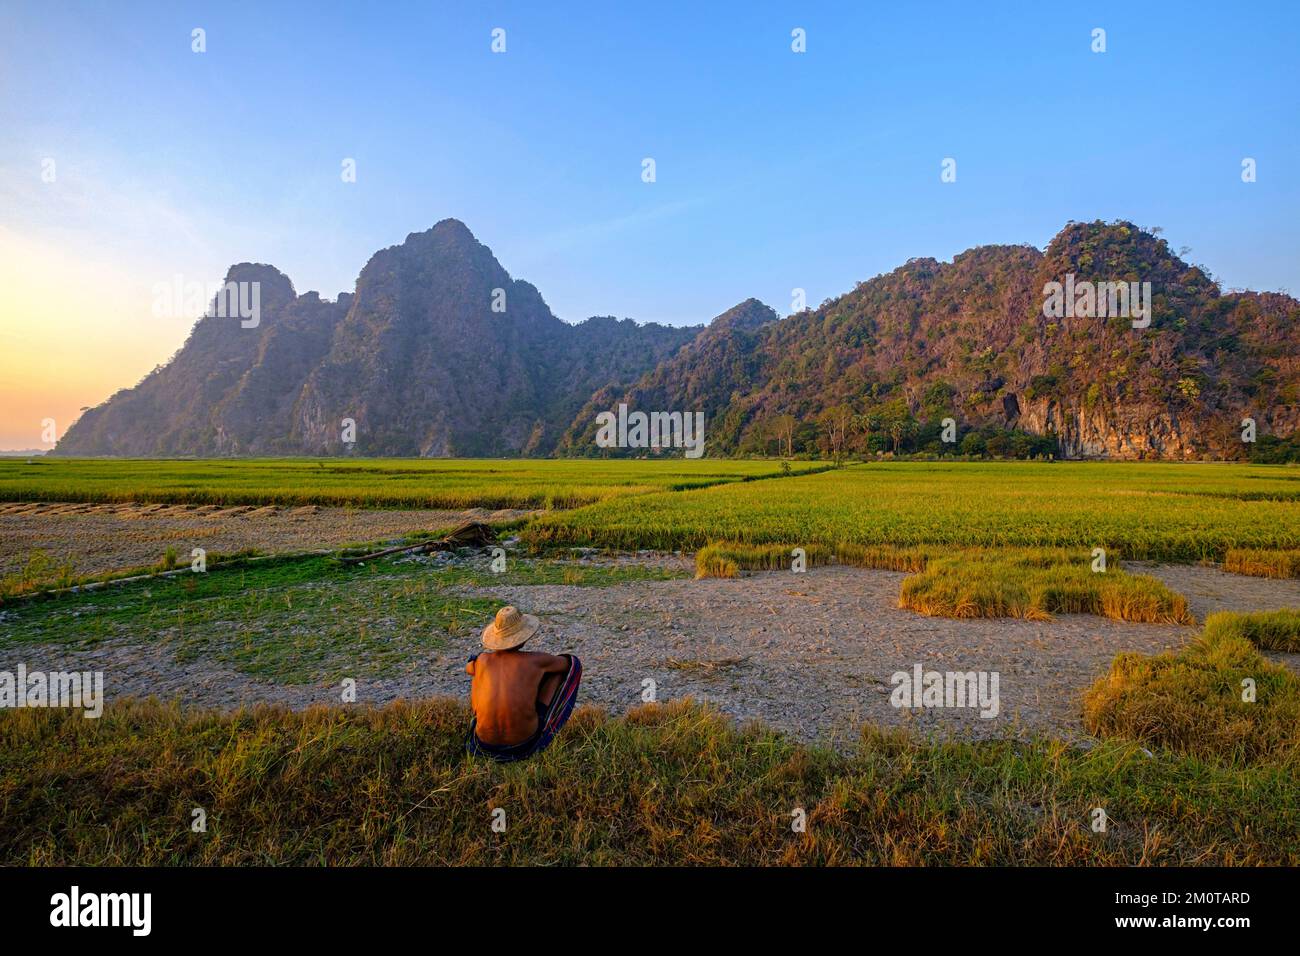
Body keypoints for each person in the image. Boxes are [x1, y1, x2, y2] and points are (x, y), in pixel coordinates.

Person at [465, 605, 582, 762]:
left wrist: (478, 663)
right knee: (561, 670)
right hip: (523, 746)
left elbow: (469, 668)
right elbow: (568, 664)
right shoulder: (536, 661)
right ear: (523, 635)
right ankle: (546, 721)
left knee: (479, 672)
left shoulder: (482, 660)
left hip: (483, 744)